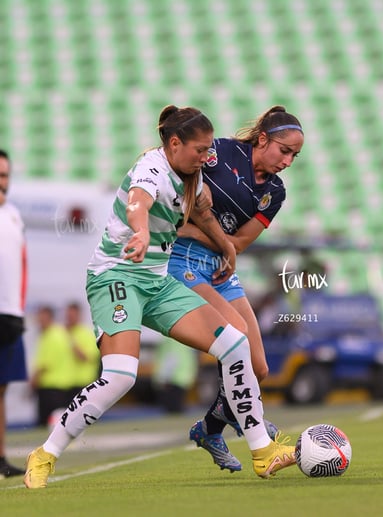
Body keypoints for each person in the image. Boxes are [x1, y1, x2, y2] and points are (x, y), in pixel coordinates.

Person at [24, 105, 296, 489]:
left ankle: (263, 451)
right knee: (121, 376)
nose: (208, 157)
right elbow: (139, 201)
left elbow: (202, 214)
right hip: (117, 277)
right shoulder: (151, 168)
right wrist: (141, 231)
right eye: (201, 150)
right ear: (173, 144)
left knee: (236, 344)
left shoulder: (194, 174)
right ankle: (46, 453)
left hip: (157, 282)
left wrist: (227, 247)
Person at [168, 106, 304, 471]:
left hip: (222, 268)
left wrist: (211, 235)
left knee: (259, 369)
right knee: (237, 338)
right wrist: (216, 238)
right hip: (182, 260)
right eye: (285, 151)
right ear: (263, 139)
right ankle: (258, 435)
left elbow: (239, 243)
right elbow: (178, 211)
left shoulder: (275, 192)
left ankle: (209, 429)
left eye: (295, 155)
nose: (288, 161)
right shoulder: (221, 152)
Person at [0, 149, 28, 477]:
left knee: (3, 387)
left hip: (9, 313)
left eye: (5, 176)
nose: (2, 183)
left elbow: (21, 264)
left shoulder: (14, 215)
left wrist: (17, 308)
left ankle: (1, 455)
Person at [31, 306, 78, 426]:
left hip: (50, 386)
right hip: (63, 385)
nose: (40, 322)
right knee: (61, 423)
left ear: (50, 318)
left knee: (45, 424)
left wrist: (34, 381)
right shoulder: (62, 333)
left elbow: (45, 364)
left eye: (42, 319)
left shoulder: (51, 335)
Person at [64, 301, 100, 397]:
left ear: (79, 315)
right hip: (67, 383)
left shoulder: (87, 333)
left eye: (72, 315)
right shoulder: (62, 332)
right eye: (68, 316)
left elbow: (86, 358)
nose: (69, 318)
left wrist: (71, 341)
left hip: (84, 383)